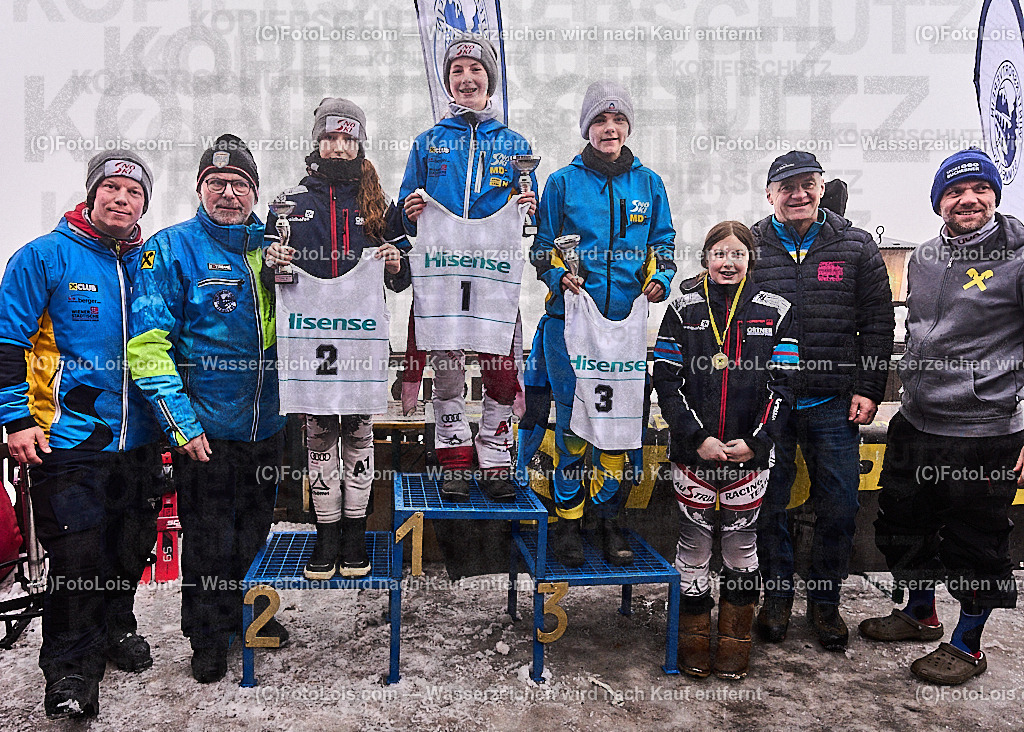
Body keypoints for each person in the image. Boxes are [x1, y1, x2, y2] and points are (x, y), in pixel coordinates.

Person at [0, 151, 162, 718]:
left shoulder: (150, 261)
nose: (122, 199)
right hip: (66, 439)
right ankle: (69, 668)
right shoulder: (44, 256)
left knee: (129, 546)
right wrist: (15, 420)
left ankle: (117, 629)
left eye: (134, 192)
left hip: (141, 439)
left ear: (145, 203)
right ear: (91, 195)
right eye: (112, 188)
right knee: (76, 554)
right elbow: (7, 340)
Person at [127, 134, 287, 684]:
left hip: (268, 425)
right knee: (207, 537)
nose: (227, 192)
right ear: (200, 188)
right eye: (215, 183)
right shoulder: (171, 249)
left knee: (254, 531)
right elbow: (147, 347)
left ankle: (245, 614)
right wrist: (181, 423)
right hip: (206, 429)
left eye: (239, 183)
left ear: (254, 192)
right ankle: (206, 637)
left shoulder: (274, 245)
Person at [859, 148, 1023, 685]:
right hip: (919, 420)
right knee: (903, 525)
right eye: (953, 192)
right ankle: (919, 612)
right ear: (938, 203)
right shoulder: (924, 257)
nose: (967, 199)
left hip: (986, 431)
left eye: (979, 189)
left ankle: (968, 644)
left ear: (995, 195)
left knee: (976, 543)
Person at [524, 80, 676, 567]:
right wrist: (555, 273)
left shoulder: (648, 183)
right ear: (587, 128)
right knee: (572, 425)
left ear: (628, 126)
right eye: (599, 122)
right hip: (568, 324)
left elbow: (664, 244)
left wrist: (663, 278)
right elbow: (541, 246)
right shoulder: (562, 182)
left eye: (617, 121)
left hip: (624, 328)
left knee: (619, 426)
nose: (609, 129)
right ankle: (568, 523)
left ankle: (608, 522)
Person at [751, 150, 894, 651]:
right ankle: (776, 599)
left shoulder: (855, 245)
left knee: (840, 504)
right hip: (771, 406)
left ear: (821, 187)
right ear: (769, 194)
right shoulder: (751, 246)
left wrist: (869, 387)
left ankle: (826, 602)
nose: (798, 194)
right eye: (786, 186)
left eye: (808, 184)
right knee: (767, 504)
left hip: (834, 403)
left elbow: (878, 323)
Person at [263, 98, 410, 580]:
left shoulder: (378, 204)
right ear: (317, 141)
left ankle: (355, 535)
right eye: (331, 137)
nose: (339, 145)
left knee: (360, 435)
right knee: (320, 435)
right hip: (312, 339)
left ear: (360, 142)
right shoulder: (291, 202)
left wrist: (394, 263)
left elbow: (400, 279)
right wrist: (275, 267)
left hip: (360, 338)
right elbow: (272, 283)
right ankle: (325, 534)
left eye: (349, 138)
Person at [653, 221, 797, 680]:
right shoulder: (681, 308)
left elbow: (785, 384)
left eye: (737, 254)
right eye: (719, 253)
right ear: (705, 260)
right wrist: (697, 437)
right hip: (693, 451)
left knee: (741, 542)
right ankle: (692, 636)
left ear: (750, 258)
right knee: (693, 541)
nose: (728, 262)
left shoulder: (776, 310)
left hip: (749, 453)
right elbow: (666, 381)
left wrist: (756, 441)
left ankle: (736, 639)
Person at [398, 34, 537, 502]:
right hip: (443, 275)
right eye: (457, 71)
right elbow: (401, 210)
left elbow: (529, 217)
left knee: (501, 367)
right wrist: (411, 211)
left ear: (489, 79)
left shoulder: (515, 144)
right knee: (449, 367)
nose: (466, 78)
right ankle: (453, 455)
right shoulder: (428, 142)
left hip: (494, 277)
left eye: (475, 70)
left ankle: (496, 455)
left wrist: (528, 209)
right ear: (448, 83)